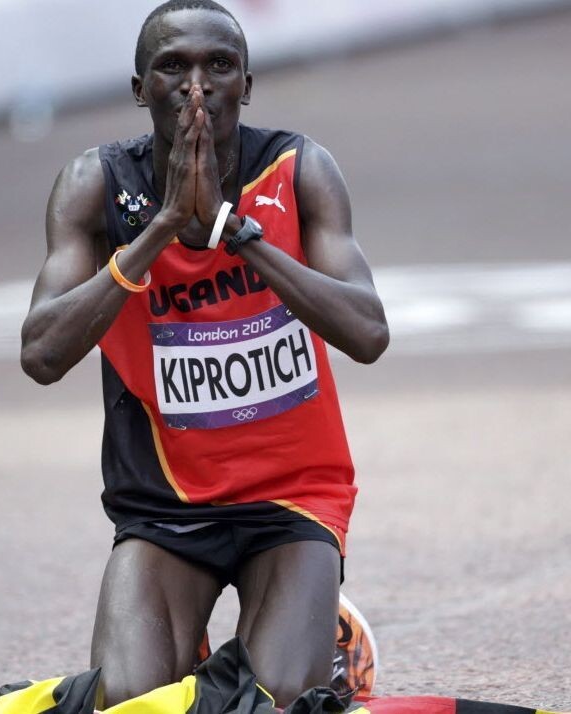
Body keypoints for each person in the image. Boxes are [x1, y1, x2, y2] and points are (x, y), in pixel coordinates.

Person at [20, 0, 388, 707]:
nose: (197, 86)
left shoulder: (300, 169)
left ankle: (321, 633)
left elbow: (368, 333)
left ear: (246, 83)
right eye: (173, 67)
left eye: (219, 66)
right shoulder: (95, 185)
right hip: (165, 507)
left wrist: (231, 229)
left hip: (291, 497)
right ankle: (209, 643)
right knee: (129, 701)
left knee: (276, 698)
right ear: (140, 89)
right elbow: (41, 353)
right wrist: (162, 227)